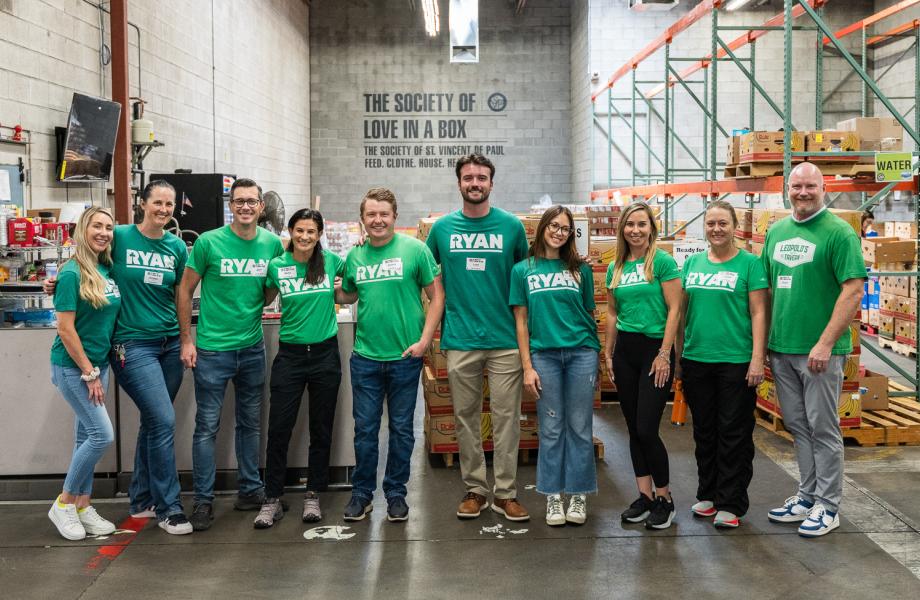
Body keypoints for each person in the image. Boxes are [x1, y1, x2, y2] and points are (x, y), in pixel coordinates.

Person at [44, 181, 192, 535]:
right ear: (142, 204)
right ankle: (169, 507)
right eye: (157, 202)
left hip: (168, 344)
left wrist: (185, 338)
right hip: (131, 346)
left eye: (169, 204)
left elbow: (181, 293)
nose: (164, 209)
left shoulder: (176, 247)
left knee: (156, 422)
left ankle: (140, 498)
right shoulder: (121, 236)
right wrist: (56, 281)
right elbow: (83, 260)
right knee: (162, 420)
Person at [426, 154, 531, 522]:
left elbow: (525, 277)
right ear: (459, 183)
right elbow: (427, 275)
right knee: (465, 418)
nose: (475, 183)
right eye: (468, 177)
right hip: (460, 339)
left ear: (491, 183)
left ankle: (505, 493)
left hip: (505, 341)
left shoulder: (512, 227)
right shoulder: (441, 230)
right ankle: (475, 489)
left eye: (481, 178)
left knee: (506, 419)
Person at [763, 163, 865, 538]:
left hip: (820, 353)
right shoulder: (776, 232)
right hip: (782, 348)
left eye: (810, 186)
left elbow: (852, 290)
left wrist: (824, 343)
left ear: (824, 188)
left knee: (823, 428)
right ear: (787, 189)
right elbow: (769, 291)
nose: (802, 192)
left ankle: (829, 505)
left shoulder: (838, 233)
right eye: (796, 186)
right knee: (798, 426)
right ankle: (807, 496)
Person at [177, 178, 285, 531]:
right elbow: (185, 289)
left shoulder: (271, 244)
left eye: (252, 202)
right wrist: (187, 339)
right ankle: (204, 502)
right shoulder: (209, 243)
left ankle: (250, 490)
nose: (245, 207)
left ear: (261, 207)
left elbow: (268, 293)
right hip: (212, 350)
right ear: (231, 205)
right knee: (207, 426)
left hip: (252, 347)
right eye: (239, 201)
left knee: (251, 423)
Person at [337, 187, 444, 523]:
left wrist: (425, 341)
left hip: (404, 357)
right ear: (363, 219)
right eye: (371, 214)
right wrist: (321, 284)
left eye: (384, 213)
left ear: (395, 216)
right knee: (365, 431)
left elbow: (437, 297)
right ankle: (362, 494)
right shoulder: (355, 256)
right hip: (365, 357)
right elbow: (349, 295)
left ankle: (396, 493)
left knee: (401, 430)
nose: (378, 220)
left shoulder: (416, 250)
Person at [679, 200, 769, 529]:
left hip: (736, 360)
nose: (716, 229)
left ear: (734, 227)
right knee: (704, 430)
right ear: (704, 227)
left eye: (723, 223)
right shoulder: (691, 264)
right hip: (696, 359)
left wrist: (758, 358)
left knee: (734, 432)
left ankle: (731, 501)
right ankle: (709, 493)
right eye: (711, 223)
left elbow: (760, 313)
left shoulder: (750, 264)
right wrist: (678, 357)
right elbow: (682, 315)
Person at [254, 209, 345, 528]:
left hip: (325, 355)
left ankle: (313, 494)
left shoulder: (332, 261)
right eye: (300, 231)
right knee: (279, 428)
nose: (305, 237)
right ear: (290, 232)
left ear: (320, 235)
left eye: (312, 231)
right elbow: (264, 297)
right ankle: (272, 498)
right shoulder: (277, 266)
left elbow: (353, 280)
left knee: (321, 429)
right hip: (290, 356)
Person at [510, 206, 599, 526]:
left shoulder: (580, 271)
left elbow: (589, 314)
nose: (559, 232)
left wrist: (596, 357)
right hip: (544, 356)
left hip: (581, 354)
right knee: (550, 428)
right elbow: (521, 322)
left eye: (566, 228)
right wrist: (527, 366)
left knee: (579, 427)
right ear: (543, 228)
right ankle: (552, 497)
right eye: (554, 226)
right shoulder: (523, 270)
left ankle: (577, 494)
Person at [603, 202, 682, 530]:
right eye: (630, 224)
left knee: (648, 427)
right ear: (622, 229)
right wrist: (608, 352)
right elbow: (610, 311)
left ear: (652, 228)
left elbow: (675, 308)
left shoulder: (662, 262)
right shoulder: (616, 266)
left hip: (655, 351)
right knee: (634, 427)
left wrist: (665, 353)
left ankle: (665, 499)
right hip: (625, 351)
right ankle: (645, 496)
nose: (635, 230)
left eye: (642, 224)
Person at [47, 207, 121, 540]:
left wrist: (97, 368)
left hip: (98, 364)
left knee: (85, 437)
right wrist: (89, 372)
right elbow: (65, 329)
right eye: (97, 226)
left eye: (108, 227)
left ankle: (82, 506)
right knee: (101, 435)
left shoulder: (106, 267)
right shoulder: (71, 273)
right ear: (82, 229)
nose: (103, 232)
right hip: (74, 367)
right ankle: (63, 504)